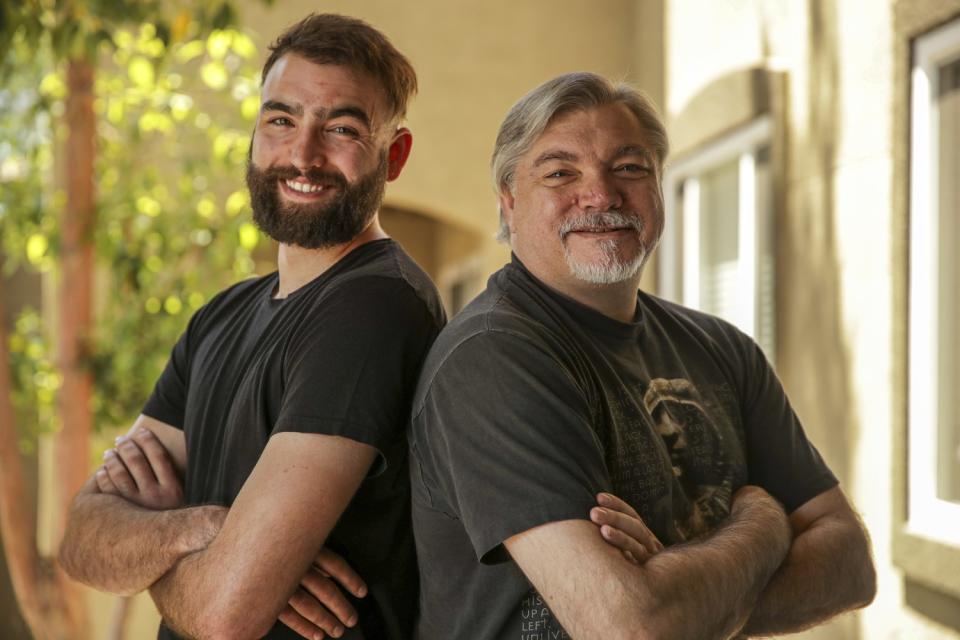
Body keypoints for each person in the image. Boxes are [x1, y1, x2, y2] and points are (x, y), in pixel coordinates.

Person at [408, 72, 876, 639]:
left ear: (658, 185)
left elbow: (851, 565)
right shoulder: (493, 358)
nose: (601, 195)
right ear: (508, 204)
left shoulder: (723, 350)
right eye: (560, 173)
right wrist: (762, 520)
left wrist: (681, 598)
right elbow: (631, 628)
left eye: (629, 168)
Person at [58, 13, 445, 640]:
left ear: (393, 155)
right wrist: (203, 530)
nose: (303, 154)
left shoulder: (374, 307)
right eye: (281, 120)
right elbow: (79, 539)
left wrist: (152, 547)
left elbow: (222, 615)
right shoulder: (223, 316)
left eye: (342, 128)